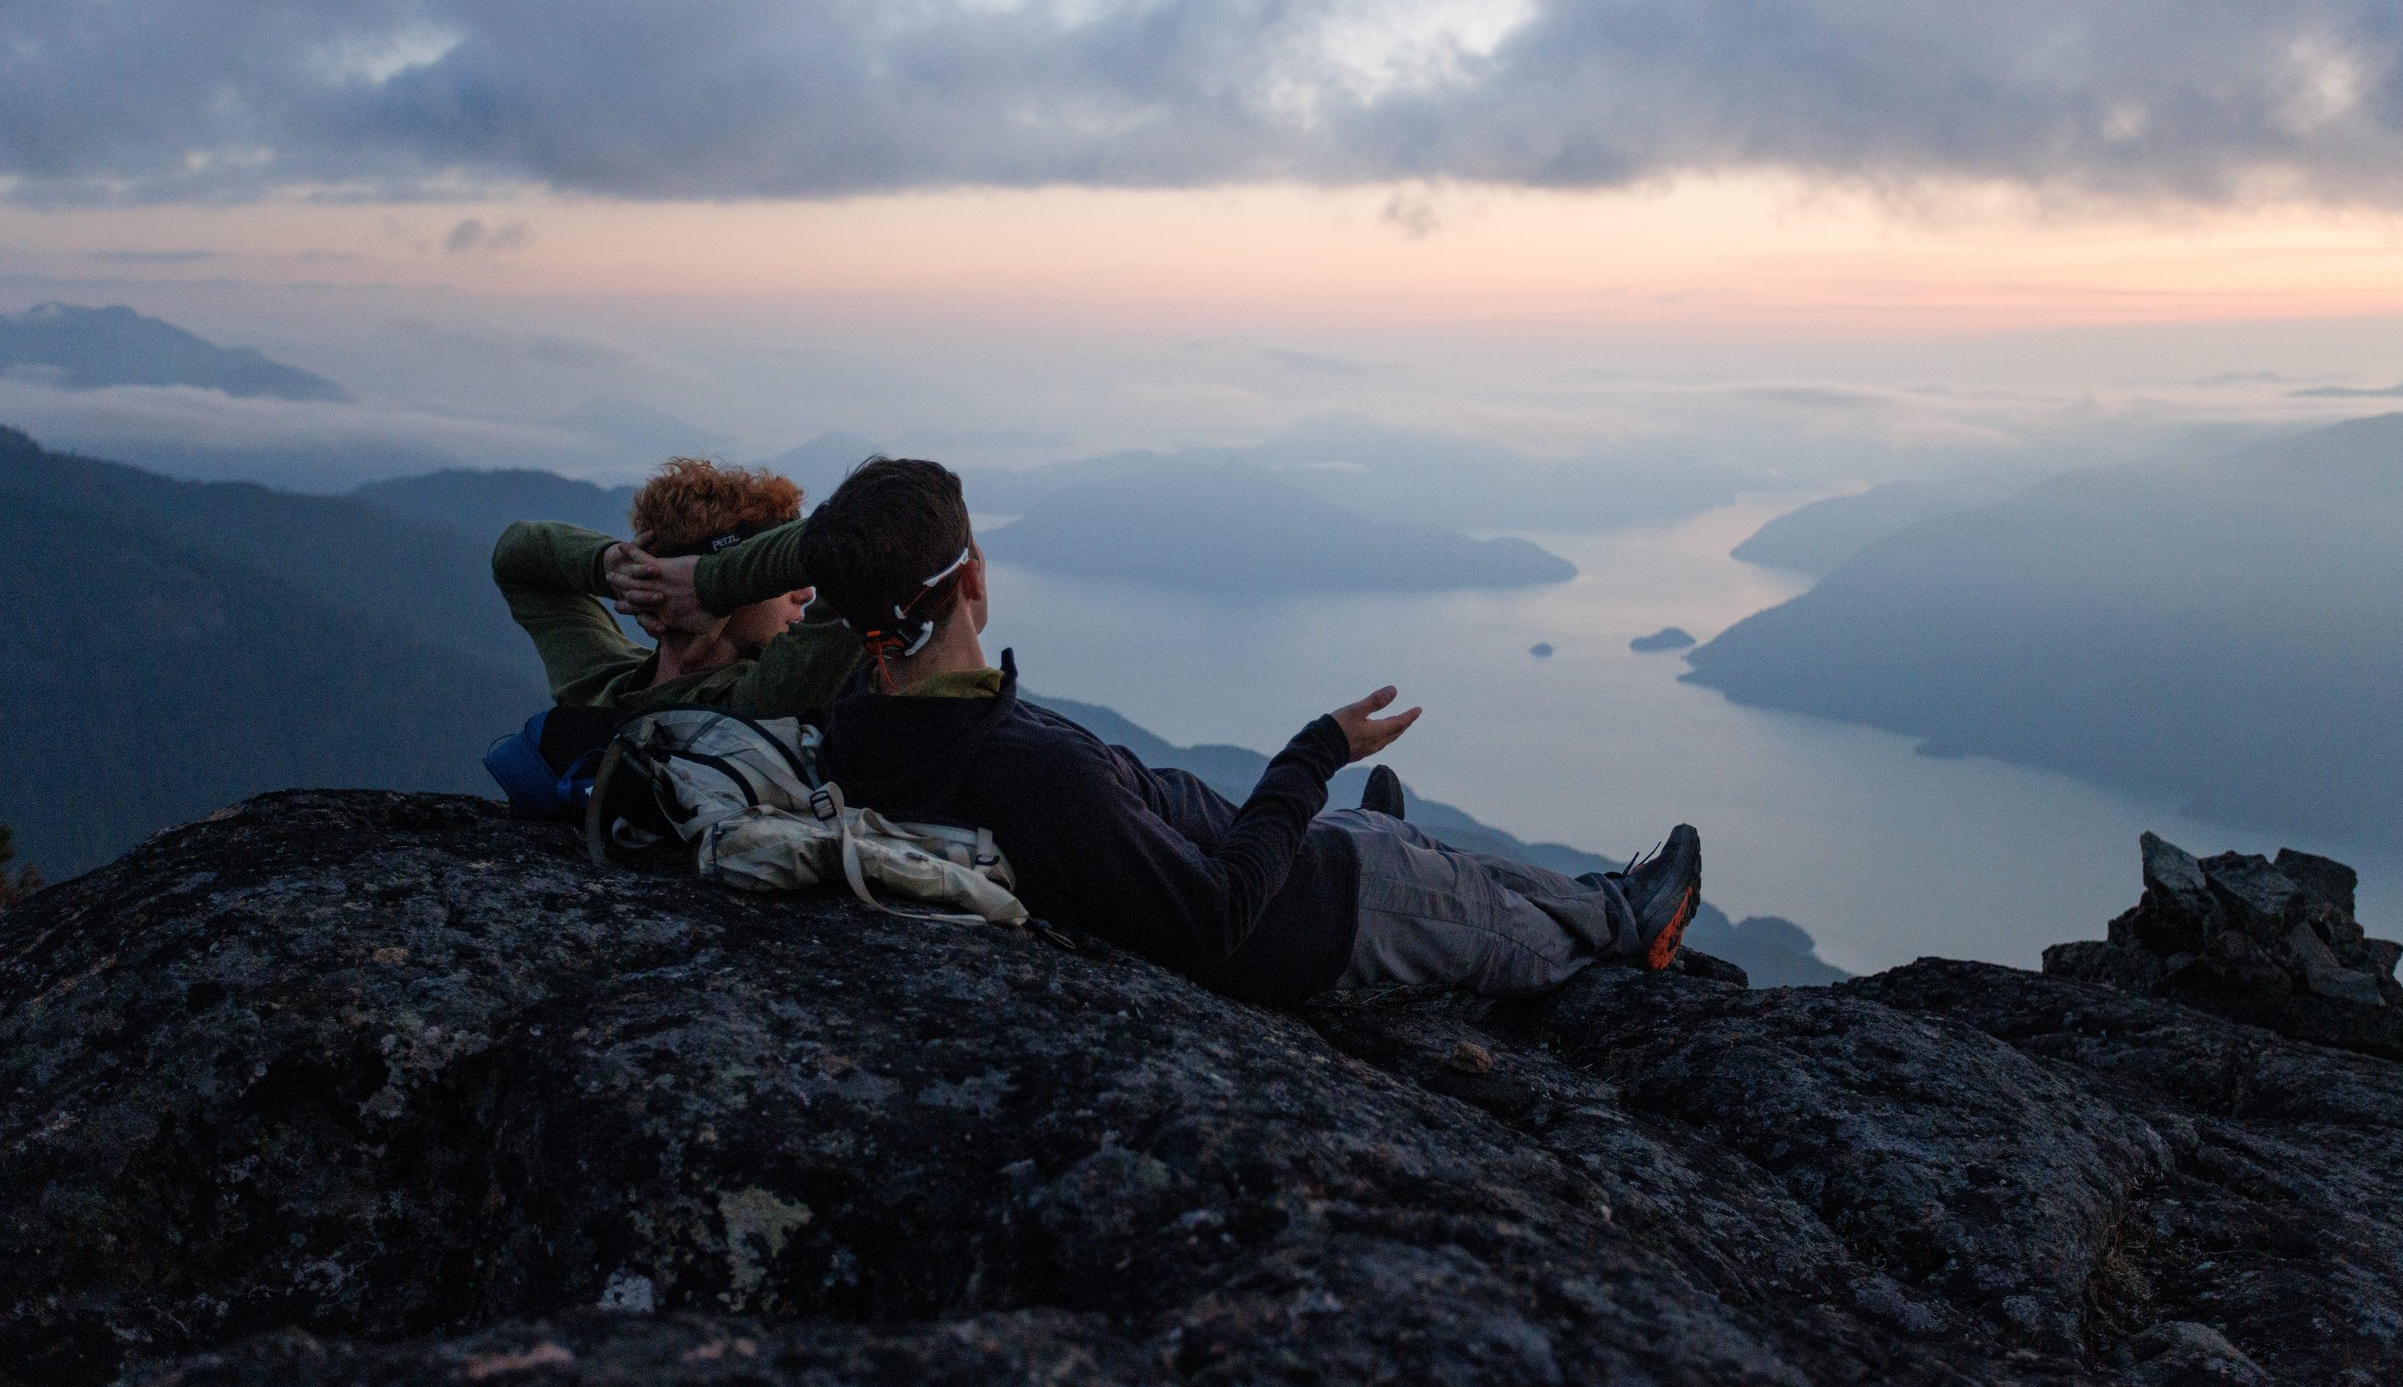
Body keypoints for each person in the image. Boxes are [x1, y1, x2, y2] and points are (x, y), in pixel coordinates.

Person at [620, 454, 1703, 1009]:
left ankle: (1433, 853)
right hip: (1319, 922)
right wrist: (1313, 753)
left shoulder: (857, 712)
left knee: (1396, 842)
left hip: (1245, 844)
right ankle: (1621, 923)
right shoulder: (1028, 769)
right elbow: (1209, 923)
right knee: (1478, 904)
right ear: (974, 580)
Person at [491, 457, 859, 716]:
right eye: (781, 578)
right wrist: (649, 578)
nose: (806, 592)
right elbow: (866, 531)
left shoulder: (598, 686)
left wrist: (618, 569)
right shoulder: (766, 696)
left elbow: (518, 556)